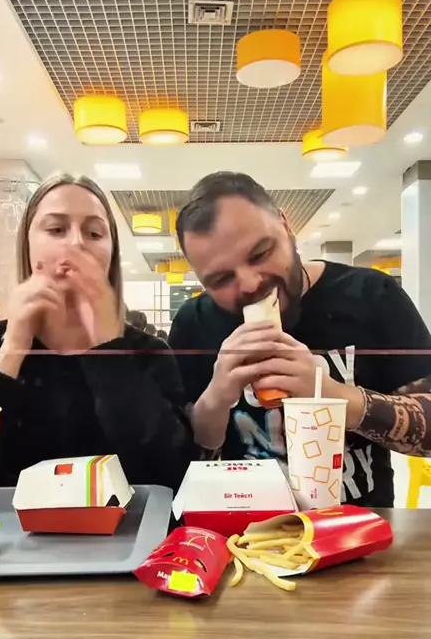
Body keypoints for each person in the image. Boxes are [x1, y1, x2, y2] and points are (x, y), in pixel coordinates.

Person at [0, 172, 195, 639]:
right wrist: (14, 345)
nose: (74, 247)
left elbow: (168, 472)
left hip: (114, 590)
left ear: (111, 253)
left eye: (93, 233)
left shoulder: (144, 351)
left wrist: (104, 344)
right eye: (55, 229)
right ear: (29, 246)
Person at [169, 171, 431, 508]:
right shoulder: (193, 324)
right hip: (243, 528)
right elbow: (181, 467)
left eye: (260, 253)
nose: (249, 283)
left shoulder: (372, 295)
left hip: (362, 524)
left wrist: (334, 395)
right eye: (221, 279)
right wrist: (214, 401)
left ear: (285, 224)